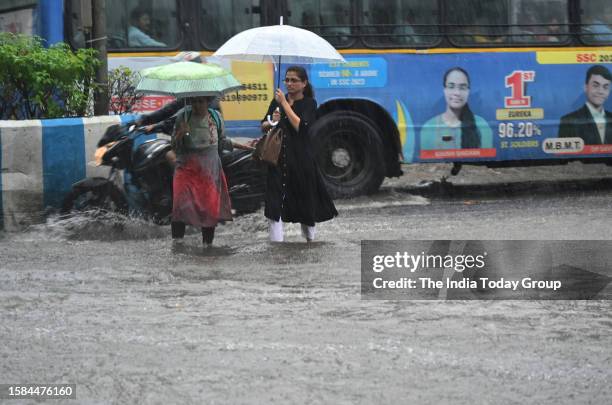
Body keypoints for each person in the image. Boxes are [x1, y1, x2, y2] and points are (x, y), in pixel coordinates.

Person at [259, 66, 338, 242]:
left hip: (301, 161)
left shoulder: (309, 103)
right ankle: (276, 245)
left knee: (305, 202)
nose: (289, 83)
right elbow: (264, 124)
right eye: (287, 80)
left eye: (294, 80)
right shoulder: (277, 101)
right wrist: (272, 121)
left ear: (304, 83)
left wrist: (285, 105)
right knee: (274, 205)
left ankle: (310, 241)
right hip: (277, 160)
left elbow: (302, 127)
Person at [169, 96, 233, 247]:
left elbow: (222, 141)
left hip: (209, 169)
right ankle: (177, 243)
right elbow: (174, 146)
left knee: (209, 208)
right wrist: (180, 133)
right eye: (194, 102)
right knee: (180, 206)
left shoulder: (216, 117)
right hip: (186, 168)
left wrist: (248, 147)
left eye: (200, 101)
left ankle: (207, 246)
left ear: (207, 102)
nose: (197, 105)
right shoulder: (183, 117)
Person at [420, 67, 493, 150]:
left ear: (468, 91)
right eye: (451, 87)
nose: (457, 93)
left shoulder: (482, 126)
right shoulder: (428, 128)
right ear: (444, 90)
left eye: (462, 87)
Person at [558, 65, 612, 145]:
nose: (601, 91)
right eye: (595, 85)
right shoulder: (568, 121)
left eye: (605, 87)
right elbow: (564, 155)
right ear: (585, 87)